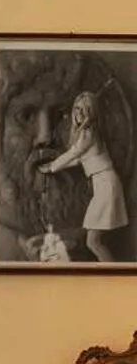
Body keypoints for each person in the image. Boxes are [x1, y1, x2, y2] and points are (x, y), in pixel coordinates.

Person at [40, 89, 129, 264]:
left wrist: (51, 167)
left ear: (91, 112)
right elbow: (79, 160)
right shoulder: (88, 132)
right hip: (103, 183)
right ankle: (114, 274)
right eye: (76, 109)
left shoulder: (88, 131)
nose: (78, 113)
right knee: (94, 241)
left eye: (83, 109)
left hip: (106, 185)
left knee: (93, 242)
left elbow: (74, 153)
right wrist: (54, 167)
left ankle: (114, 276)